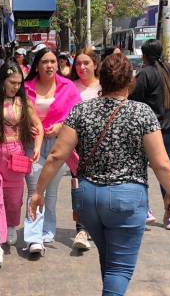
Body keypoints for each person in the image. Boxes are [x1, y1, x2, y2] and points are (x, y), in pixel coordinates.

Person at [29, 54, 170, 295]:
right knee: (120, 269)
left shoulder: (81, 111)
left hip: (89, 200)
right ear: (130, 82)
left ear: (102, 80)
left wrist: (38, 192)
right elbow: (161, 163)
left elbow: (57, 155)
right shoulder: (142, 113)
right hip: (126, 199)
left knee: (109, 262)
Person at [0, 61, 43, 269]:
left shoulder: (24, 102)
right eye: (12, 82)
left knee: (13, 200)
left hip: (16, 155)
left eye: (19, 83)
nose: (16, 87)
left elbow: (37, 125)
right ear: (2, 80)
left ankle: (11, 224)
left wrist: (38, 146)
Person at [23, 48, 81, 257]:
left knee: (52, 192)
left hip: (60, 145)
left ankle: (47, 231)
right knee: (35, 189)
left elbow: (78, 115)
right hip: (33, 146)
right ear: (36, 65)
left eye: (53, 62)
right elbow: (15, 111)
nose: (49, 65)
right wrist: (25, 124)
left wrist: (62, 126)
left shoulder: (68, 87)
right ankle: (33, 238)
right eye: (45, 62)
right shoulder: (25, 87)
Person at [131, 39, 170, 230]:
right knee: (167, 171)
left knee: (139, 169)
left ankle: (145, 209)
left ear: (144, 56)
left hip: (152, 131)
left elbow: (134, 101)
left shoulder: (144, 74)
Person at [68, 48, 103, 251]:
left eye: (86, 63)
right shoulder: (70, 87)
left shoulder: (105, 87)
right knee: (78, 185)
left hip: (102, 145)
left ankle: (97, 224)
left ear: (95, 65)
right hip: (77, 146)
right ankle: (81, 229)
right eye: (78, 64)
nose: (81, 67)